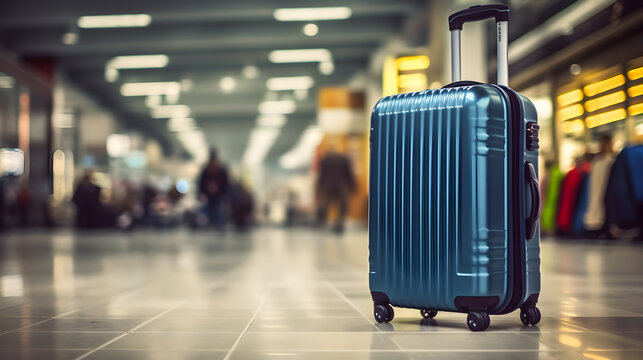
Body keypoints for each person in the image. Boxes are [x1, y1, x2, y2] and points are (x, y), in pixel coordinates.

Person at [315, 151, 356, 233]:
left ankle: (321, 223)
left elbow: (322, 173)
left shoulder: (326, 159)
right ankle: (339, 223)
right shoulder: (344, 159)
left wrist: (319, 185)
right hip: (341, 184)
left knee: (325, 203)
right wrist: (353, 186)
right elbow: (349, 173)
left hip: (328, 183)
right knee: (343, 204)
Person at [584, 134, 615, 238]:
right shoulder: (597, 161)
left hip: (608, 190)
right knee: (597, 208)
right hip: (597, 191)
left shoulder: (611, 160)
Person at [198, 148, 229, 229]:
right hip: (209, 196)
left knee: (217, 211)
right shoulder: (206, 170)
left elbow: (225, 183)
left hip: (218, 195)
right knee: (210, 210)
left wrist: (219, 190)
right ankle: (211, 224)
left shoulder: (220, 170)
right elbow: (201, 183)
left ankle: (217, 224)